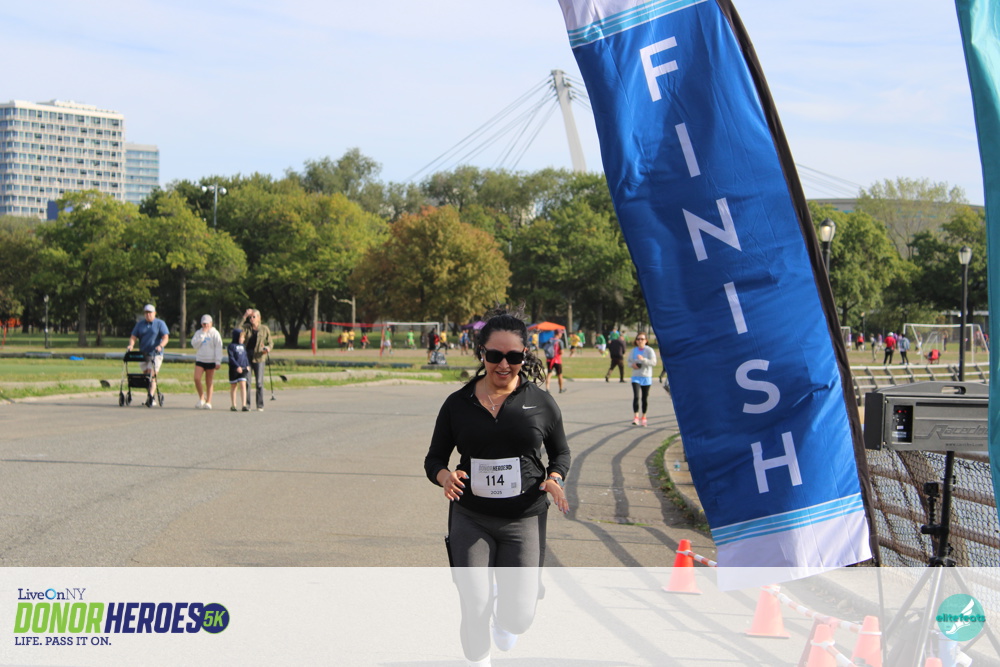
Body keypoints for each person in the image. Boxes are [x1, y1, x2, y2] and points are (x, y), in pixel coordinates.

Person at [424, 306, 570, 666]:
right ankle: (479, 657)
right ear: (482, 354)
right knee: (473, 603)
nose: (503, 365)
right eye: (494, 356)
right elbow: (434, 459)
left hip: (524, 517)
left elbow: (561, 453)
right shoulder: (458, 404)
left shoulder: (540, 402)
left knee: (519, 618)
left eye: (513, 357)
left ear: (524, 356)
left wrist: (554, 478)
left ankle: (506, 613)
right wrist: (445, 477)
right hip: (471, 515)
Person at [127, 303, 170, 407]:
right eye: (146, 313)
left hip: (156, 353)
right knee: (145, 376)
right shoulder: (140, 324)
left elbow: (165, 337)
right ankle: (151, 397)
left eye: (150, 312)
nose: (148, 315)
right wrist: (131, 345)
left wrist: (160, 345)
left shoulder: (160, 323)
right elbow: (133, 337)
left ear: (154, 313)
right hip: (143, 354)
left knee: (152, 374)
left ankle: (150, 397)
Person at [240, 308, 273, 411]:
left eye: (254, 317)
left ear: (259, 318)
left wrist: (268, 348)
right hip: (247, 357)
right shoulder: (246, 327)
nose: (252, 319)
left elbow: (270, 342)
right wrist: (244, 316)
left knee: (259, 382)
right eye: (250, 317)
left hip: (259, 357)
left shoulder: (264, 329)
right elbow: (237, 329)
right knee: (247, 381)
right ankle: (247, 405)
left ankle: (260, 404)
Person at [191, 314, 223, 409]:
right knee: (197, 378)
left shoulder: (215, 333)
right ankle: (202, 398)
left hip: (211, 360)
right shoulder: (198, 333)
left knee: (209, 381)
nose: (205, 325)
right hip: (200, 359)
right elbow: (194, 345)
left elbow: (218, 347)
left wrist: (218, 361)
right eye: (204, 324)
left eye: (207, 324)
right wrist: (202, 335)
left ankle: (208, 401)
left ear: (211, 323)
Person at [628, 333, 657, 426]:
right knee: (636, 397)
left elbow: (654, 362)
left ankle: (644, 416)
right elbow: (629, 362)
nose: (640, 341)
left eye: (642, 339)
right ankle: (636, 417)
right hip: (636, 376)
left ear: (646, 340)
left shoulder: (649, 350)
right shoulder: (633, 351)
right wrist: (632, 365)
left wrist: (643, 360)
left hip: (646, 377)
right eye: (638, 339)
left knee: (644, 398)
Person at [227, 328, 250, 412]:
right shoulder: (231, 346)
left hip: (243, 368)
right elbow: (231, 358)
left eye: (244, 338)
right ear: (237, 337)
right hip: (234, 369)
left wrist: (247, 365)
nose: (243, 339)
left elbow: (245, 356)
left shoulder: (243, 346)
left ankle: (244, 405)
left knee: (243, 385)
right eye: (242, 337)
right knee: (234, 386)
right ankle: (233, 405)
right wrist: (237, 366)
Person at [544, 330, 566, 394]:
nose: (561, 335)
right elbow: (561, 352)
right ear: (558, 334)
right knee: (560, 374)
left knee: (549, 374)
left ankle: (547, 388)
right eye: (561, 333)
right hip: (557, 360)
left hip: (549, 360)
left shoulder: (549, 340)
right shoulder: (560, 341)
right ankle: (561, 389)